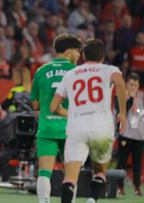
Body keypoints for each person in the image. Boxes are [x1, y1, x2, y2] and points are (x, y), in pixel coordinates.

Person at [50, 39, 127, 203]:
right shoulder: (109, 69)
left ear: (83, 55)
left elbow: (53, 107)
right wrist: (122, 114)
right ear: (103, 56)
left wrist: (72, 113)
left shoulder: (70, 74)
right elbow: (120, 83)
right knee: (99, 172)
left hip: (77, 127)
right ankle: (92, 200)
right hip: (101, 127)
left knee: (70, 177)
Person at [30, 33, 82, 203]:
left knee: (44, 172)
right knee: (71, 174)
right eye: (77, 51)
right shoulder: (77, 72)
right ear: (68, 52)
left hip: (47, 128)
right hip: (71, 130)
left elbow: (35, 105)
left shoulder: (41, 70)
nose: (79, 55)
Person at [115, 72, 144, 196]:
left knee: (137, 163)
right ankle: (119, 187)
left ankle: (137, 187)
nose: (133, 87)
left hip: (140, 136)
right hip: (125, 134)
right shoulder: (122, 96)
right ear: (126, 84)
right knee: (122, 162)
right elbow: (121, 112)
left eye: (135, 85)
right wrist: (131, 98)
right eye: (131, 84)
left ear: (138, 86)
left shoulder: (142, 96)